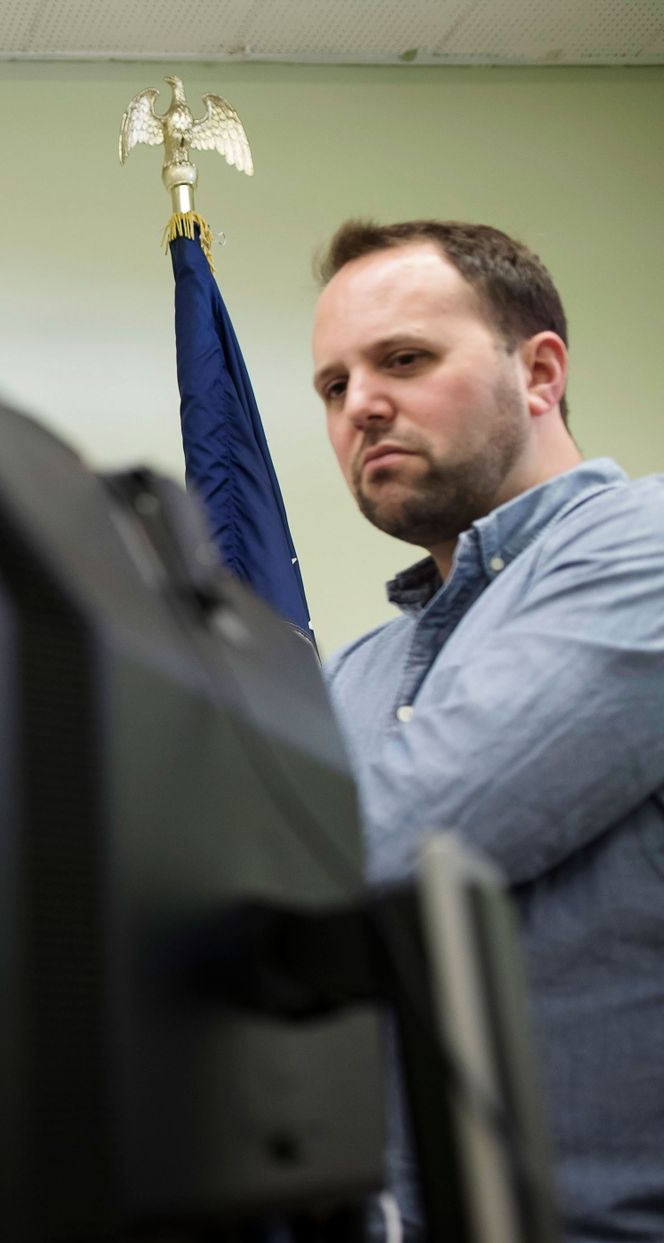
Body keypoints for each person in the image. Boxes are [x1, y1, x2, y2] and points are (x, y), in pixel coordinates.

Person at [310, 219, 664, 1241]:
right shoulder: (353, 669)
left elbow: (392, 839)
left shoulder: (644, 549)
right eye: (332, 387)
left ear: (539, 372)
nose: (360, 405)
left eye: (404, 360)